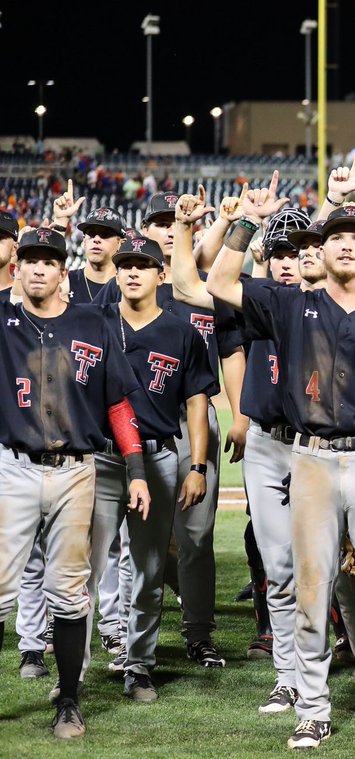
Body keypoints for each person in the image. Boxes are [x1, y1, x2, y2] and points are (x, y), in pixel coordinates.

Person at [206, 189, 355, 751]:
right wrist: (243, 223)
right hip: (309, 459)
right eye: (335, 237)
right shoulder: (291, 305)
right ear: (323, 247)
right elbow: (218, 283)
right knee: (312, 592)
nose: (345, 246)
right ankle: (312, 709)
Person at [0, 227, 150, 739]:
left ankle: (68, 700)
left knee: (68, 591)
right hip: (13, 468)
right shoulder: (2, 319)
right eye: (30, 260)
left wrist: (135, 471)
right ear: (16, 269)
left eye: (50, 260)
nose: (39, 268)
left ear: (64, 271)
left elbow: (118, 403)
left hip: (77, 471)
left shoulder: (94, 322)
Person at [95, 235, 216, 703]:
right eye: (125, 264)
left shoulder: (181, 331)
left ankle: (139, 664)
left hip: (160, 455)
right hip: (104, 458)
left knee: (147, 570)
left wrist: (198, 466)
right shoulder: (95, 321)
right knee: (84, 569)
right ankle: (75, 670)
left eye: (142, 265)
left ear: (160, 275)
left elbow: (197, 403)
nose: (131, 272)